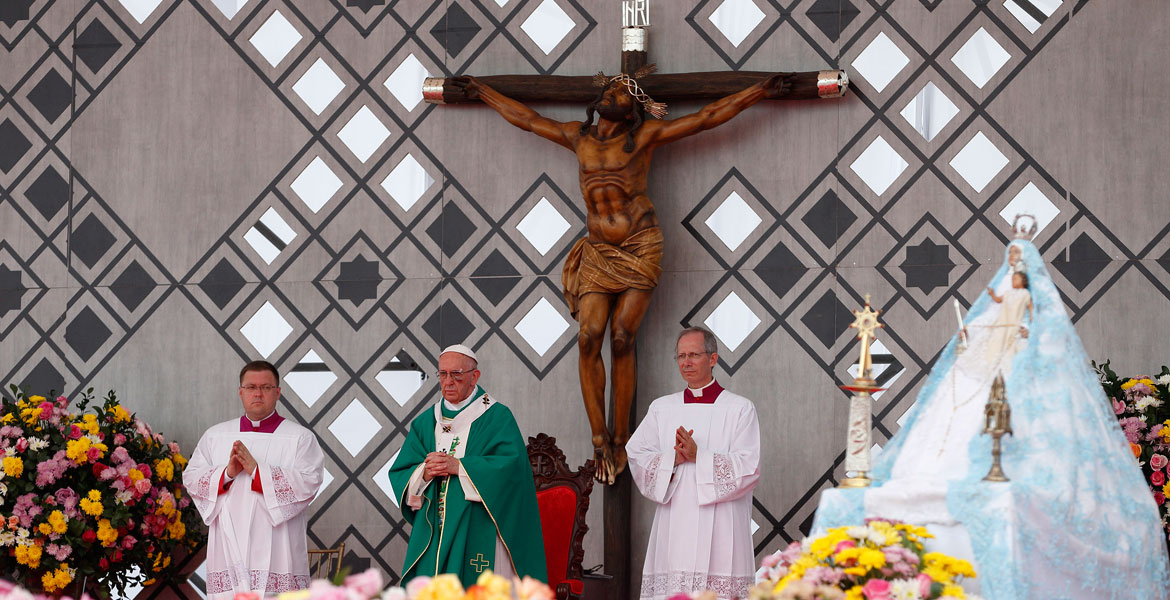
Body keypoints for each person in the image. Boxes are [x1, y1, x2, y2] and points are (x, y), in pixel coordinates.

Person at [451, 70, 791, 484]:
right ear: (598, 102)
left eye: (626, 93)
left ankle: (623, 435)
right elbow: (527, 118)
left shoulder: (642, 138)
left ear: (633, 110)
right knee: (587, 337)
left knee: (622, 338)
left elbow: (707, 117)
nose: (617, 93)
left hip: (640, 244)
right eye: (611, 88)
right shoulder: (579, 137)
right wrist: (483, 91)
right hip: (598, 251)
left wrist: (761, 89)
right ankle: (600, 438)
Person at [812, 236, 1170, 598]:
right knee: (966, 405)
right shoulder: (1002, 295)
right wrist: (988, 317)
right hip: (998, 351)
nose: (1013, 270)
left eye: (1017, 263)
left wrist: (1022, 333)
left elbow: (1040, 327)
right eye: (1011, 261)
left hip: (1019, 354)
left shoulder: (1031, 300)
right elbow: (993, 312)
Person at [389, 344, 547, 588]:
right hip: (435, 528)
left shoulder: (496, 417)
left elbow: (511, 470)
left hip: (478, 524)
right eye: (442, 374)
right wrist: (425, 472)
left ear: (475, 377)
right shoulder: (425, 422)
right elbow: (402, 472)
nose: (448, 382)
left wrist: (460, 467)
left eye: (456, 374)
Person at [626, 327, 761, 600]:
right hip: (675, 521)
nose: (686, 362)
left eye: (694, 355)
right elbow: (637, 454)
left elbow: (749, 467)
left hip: (723, 524)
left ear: (713, 359)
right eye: (681, 356)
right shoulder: (662, 408)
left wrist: (699, 455)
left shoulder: (739, 409)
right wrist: (673, 458)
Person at [186, 361, 324, 599]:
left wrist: (258, 471)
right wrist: (227, 473)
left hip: (279, 546)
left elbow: (310, 481)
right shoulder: (216, 436)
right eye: (251, 387)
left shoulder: (300, 438)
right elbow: (191, 477)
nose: (258, 393)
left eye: (266, 387)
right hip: (228, 545)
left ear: (278, 392)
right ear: (241, 392)